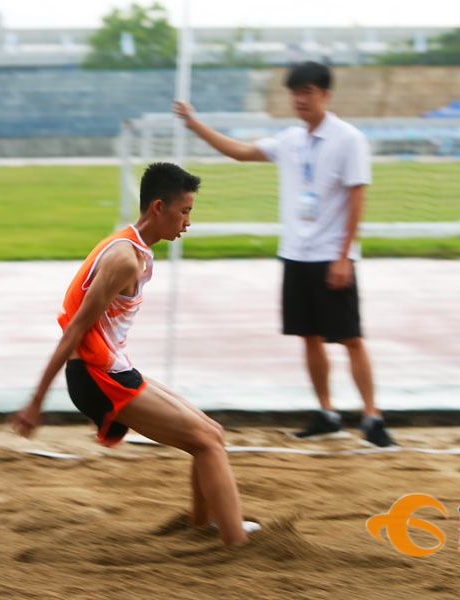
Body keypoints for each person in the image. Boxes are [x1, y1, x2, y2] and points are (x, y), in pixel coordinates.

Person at [11, 162, 258, 548]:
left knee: (211, 434)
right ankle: (237, 544)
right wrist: (35, 402)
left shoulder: (132, 246)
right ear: (158, 207)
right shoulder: (124, 259)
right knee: (207, 443)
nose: (188, 222)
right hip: (98, 377)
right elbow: (74, 330)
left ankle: (202, 527)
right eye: (185, 211)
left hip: (111, 369)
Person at [173, 61, 395, 447]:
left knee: (350, 338)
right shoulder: (290, 140)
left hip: (331, 255)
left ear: (325, 94)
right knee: (308, 335)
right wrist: (195, 125)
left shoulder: (348, 139)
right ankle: (327, 412)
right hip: (296, 254)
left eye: (307, 91)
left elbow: (357, 197)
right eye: (295, 92)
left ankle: (372, 416)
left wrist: (344, 257)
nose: (299, 99)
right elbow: (241, 151)